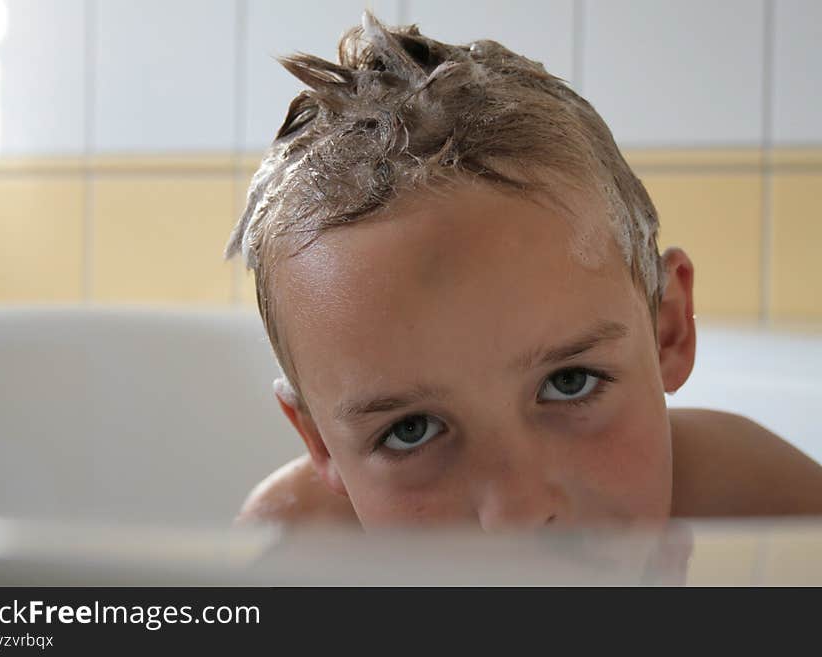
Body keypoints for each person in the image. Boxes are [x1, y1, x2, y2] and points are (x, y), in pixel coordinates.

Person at [225, 12, 822, 530]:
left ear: (669, 330)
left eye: (570, 382)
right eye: (410, 430)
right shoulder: (299, 550)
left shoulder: (768, 514)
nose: (516, 513)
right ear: (320, 443)